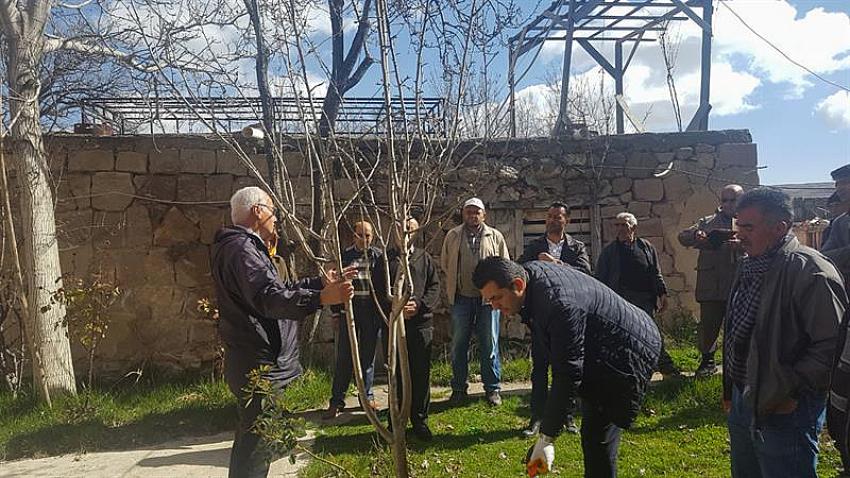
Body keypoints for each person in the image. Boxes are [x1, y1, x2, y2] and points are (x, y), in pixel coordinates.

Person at [210, 186, 354, 478]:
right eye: (273, 212)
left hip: (254, 358)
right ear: (257, 212)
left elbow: (279, 289)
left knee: (255, 439)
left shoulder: (243, 248)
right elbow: (269, 299)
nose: (276, 220)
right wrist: (323, 299)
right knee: (256, 444)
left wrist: (318, 285)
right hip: (258, 362)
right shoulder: (243, 250)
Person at [473, 256, 661, 478]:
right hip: (603, 346)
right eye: (489, 301)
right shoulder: (532, 279)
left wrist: (546, 438)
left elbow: (568, 373)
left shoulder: (559, 304)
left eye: (497, 298)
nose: (494, 307)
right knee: (593, 435)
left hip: (626, 351)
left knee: (597, 437)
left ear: (518, 285)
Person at [723, 188, 843, 478]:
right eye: (738, 225)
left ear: (780, 228)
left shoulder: (811, 271)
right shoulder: (750, 264)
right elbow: (738, 334)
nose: (739, 234)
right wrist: (731, 389)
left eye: (748, 227)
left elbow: (833, 346)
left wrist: (791, 391)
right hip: (745, 397)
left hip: (787, 406)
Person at [518, 201, 590, 437]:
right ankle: (536, 417)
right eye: (549, 216)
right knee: (539, 369)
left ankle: (566, 417)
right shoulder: (534, 246)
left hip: (568, 318)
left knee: (565, 370)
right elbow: (519, 272)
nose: (552, 220)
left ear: (566, 220)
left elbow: (586, 273)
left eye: (557, 217)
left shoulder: (577, 247)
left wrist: (557, 264)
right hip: (541, 316)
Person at [440, 197, 510, 406]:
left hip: (489, 301)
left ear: (483, 215)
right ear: (463, 214)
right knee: (459, 345)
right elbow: (445, 263)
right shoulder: (453, 236)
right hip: (462, 297)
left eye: (476, 212)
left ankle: (492, 389)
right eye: (469, 211)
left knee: (489, 344)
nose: (472, 215)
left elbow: (504, 264)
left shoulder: (495, 236)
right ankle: (459, 389)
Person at [597, 212, 679, 378]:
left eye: (623, 225)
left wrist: (662, 294)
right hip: (620, 300)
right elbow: (601, 279)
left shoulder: (646, 247)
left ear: (633, 227)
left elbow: (656, 272)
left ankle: (667, 370)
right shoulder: (609, 252)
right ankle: (626, 373)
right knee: (621, 338)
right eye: (617, 225)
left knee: (652, 334)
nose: (619, 229)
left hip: (644, 299)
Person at [324, 221, 389, 419]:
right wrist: (336, 312)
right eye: (361, 235)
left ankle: (366, 397)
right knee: (344, 356)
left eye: (368, 236)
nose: (365, 239)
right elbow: (335, 285)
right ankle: (337, 400)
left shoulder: (378, 256)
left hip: (370, 311)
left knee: (367, 357)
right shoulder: (344, 256)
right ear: (354, 236)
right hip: (349, 310)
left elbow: (384, 284)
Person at [678, 184, 744, 377]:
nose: (728, 204)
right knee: (709, 326)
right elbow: (683, 237)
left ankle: (736, 364)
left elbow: (762, 246)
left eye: (733, 200)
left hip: (740, 286)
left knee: (739, 328)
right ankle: (707, 362)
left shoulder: (747, 222)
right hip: (711, 285)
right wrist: (695, 235)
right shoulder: (707, 221)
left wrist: (741, 245)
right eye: (725, 200)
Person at [386, 218, 441, 441]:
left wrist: (418, 305)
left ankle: (419, 420)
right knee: (395, 374)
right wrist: (396, 306)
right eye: (402, 229)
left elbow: (434, 286)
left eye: (410, 229)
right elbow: (378, 290)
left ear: (416, 232)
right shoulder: (385, 260)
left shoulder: (423, 257)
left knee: (420, 373)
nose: (406, 233)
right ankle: (395, 420)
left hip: (420, 325)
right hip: (394, 325)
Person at [815, 164, 850, 477]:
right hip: (847, 310)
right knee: (842, 385)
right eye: (839, 186)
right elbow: (825, 258)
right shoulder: (840, 224)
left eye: (844, 186)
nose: (840, 191)